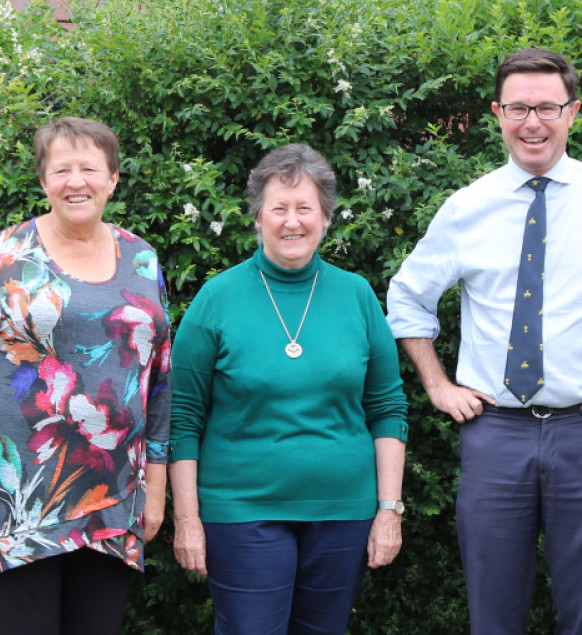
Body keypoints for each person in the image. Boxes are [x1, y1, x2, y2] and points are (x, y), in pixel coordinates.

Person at [387, 47, 582, 634]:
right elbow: (407, 297)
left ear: (573, 112)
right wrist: (436, 383)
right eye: (518, 108)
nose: (532, 122)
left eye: (547, 107)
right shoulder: (466, 208)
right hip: (494, 433)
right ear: (497, 113)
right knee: (492, 611)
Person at [0, 117, 172, 634]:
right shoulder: (5, 256)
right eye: (61, 169)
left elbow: (159, 380)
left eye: (89, 168)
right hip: (14, 507)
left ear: (112, 178)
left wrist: (154, 489)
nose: (76, 182)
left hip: (111, 501)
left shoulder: (141, 257)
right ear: (43, 181)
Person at [169, 143, 408, 635]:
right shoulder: (217, 298)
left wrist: (389, 510)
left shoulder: (357, 295)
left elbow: (386, 408)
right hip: (242, 512)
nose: (292, 221)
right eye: (279, 208)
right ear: (258, 217)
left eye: (305, 208)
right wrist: (187, 519)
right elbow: (183, 417)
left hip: (343, 512)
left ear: (325, 218)